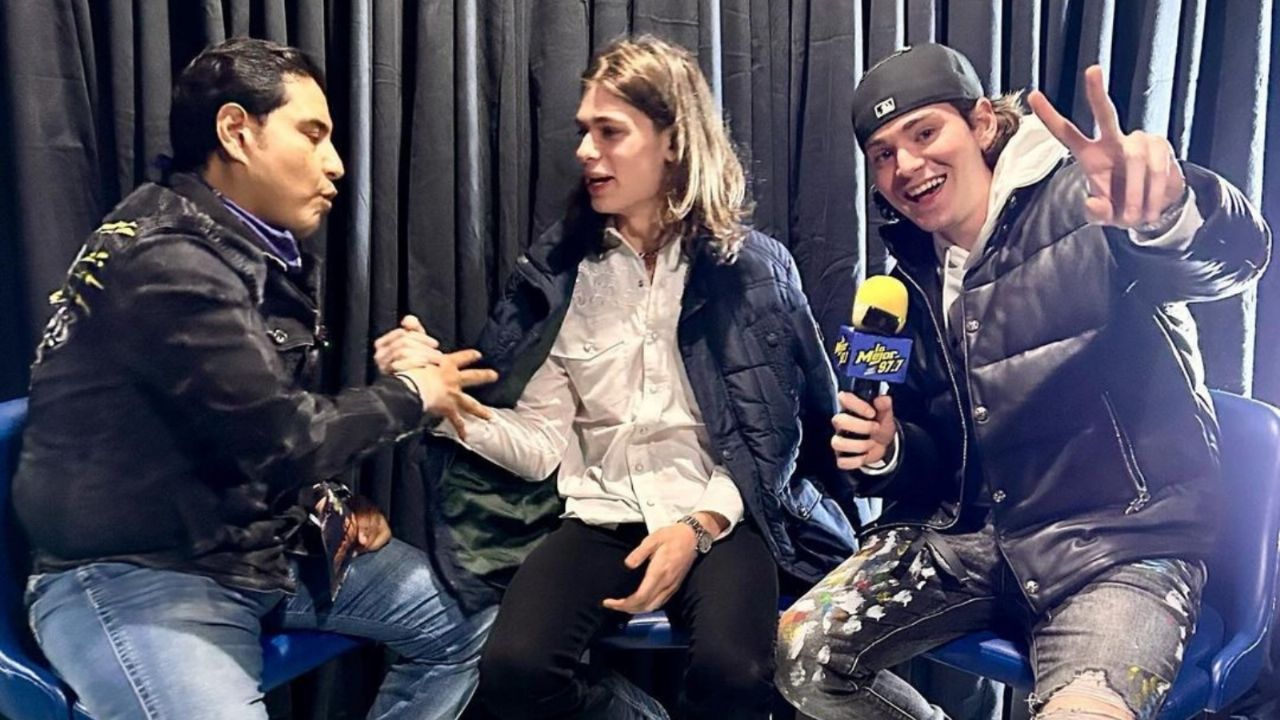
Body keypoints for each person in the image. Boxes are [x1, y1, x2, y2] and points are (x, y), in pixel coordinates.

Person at [775, 43, 1271, 720]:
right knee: (803, 654)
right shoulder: (906, 279)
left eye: (924, 133)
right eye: (884, 154)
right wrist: (889, 451)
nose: (906, 165)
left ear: (982, 123)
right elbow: (940, 455)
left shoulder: (1089, 203)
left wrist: (1171, 210)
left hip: (1117, 543)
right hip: (970, 540)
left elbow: (1234, 258)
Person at [377, 35, 863, 719]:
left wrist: (698, 527)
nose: (584, 151)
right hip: (600, 516)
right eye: (584, 131)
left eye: (609, 132)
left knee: (736, 672)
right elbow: (541, 443)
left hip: (726, 517)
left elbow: (776, 438)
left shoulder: (752, 268)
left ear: (673, 142)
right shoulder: (561, 271)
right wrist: (444, 403)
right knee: (514, 671)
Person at [13, 37, 499, 720]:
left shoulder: (248, 249)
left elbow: (235, 421)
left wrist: (329, 504)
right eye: (313, 134)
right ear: (237, 131)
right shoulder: (169, 261)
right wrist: (415, 392)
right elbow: (282, 438)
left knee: (464, 625)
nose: (336, 164)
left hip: (251, 550)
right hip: (137, 574)